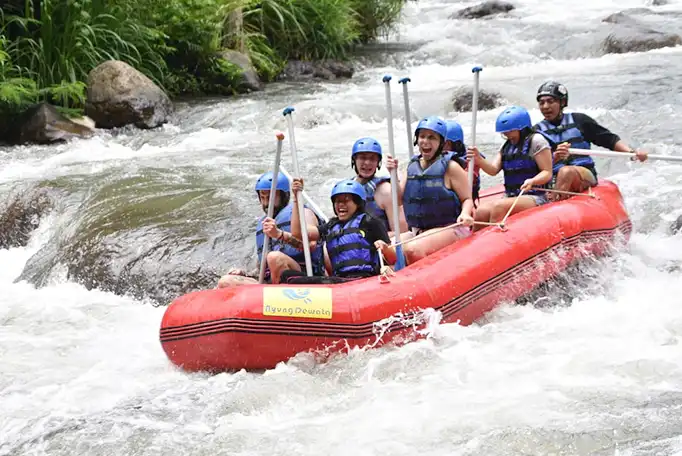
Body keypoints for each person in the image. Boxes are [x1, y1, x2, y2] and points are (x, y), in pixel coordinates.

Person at [379, 115, 475, 265]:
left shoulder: (451, 167)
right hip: (419, 230)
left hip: (451, 228)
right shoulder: (412, 167)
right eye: (422, 136)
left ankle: (404, 268)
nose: (425, 141)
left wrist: (465, 213)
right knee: (383, 249)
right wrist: (393, 172)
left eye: (432, 137)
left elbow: (467, 199)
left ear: (441, 143)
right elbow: (398, 199)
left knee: (411, 250)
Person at [534, 80, 648, 200]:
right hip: (553, 179)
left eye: (550, 102)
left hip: (583, 174)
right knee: (562, 172)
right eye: (541, 103)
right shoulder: (536, 132)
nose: (545, 106)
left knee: (566, 172)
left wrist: (632, 153)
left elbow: (609, 140)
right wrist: (555, 158)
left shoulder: (580, 121)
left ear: (562, 102)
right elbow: (533, 165)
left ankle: (556, 204)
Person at [217, 171, 324, 287]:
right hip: (271, 283)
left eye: (270, 197)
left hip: (302, 275)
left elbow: (312, 245)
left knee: (274, 257)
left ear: (284, 196)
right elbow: (261, 271)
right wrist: (244, 274)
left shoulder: (302, 212)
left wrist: (280, 235)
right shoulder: (264, 225)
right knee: (226, 281)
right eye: (262, 198)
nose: (266, 203)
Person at [281, 178, 390, 283]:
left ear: (358, 203)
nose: (341, 205)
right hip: (340, 281)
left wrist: (384, 248)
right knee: (288, 275)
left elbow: (393, 259)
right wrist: (296, 199)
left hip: (366, 278)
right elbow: (298, 233)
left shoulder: (370, 222)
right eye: (337, 201)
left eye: (346, 201)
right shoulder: (331, 226)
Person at [468, 106, 553, 230]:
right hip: (511, 195)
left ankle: (494, 241)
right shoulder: (507, 146)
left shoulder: (537, 141)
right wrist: (478, 159)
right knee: (481, 212)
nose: (506, 135)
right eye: (504, 132)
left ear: (521, 128)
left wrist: (533, 181)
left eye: (509, 131)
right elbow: (493, 170)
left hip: (536, 196)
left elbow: (547, 172)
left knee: (499, 207)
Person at [350, 137, 407, 236]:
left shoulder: (385, 190)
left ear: (378, 163)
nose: (367, 163)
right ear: (354, 160)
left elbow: (401, 231)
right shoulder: (347, 188)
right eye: (363, 157)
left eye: (372, 158)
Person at [442, 119, 483, 202]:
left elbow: (468, 181)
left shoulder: (470, 159)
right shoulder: (438, 158)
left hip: (463, 200)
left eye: (443, 143)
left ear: (454, 144)